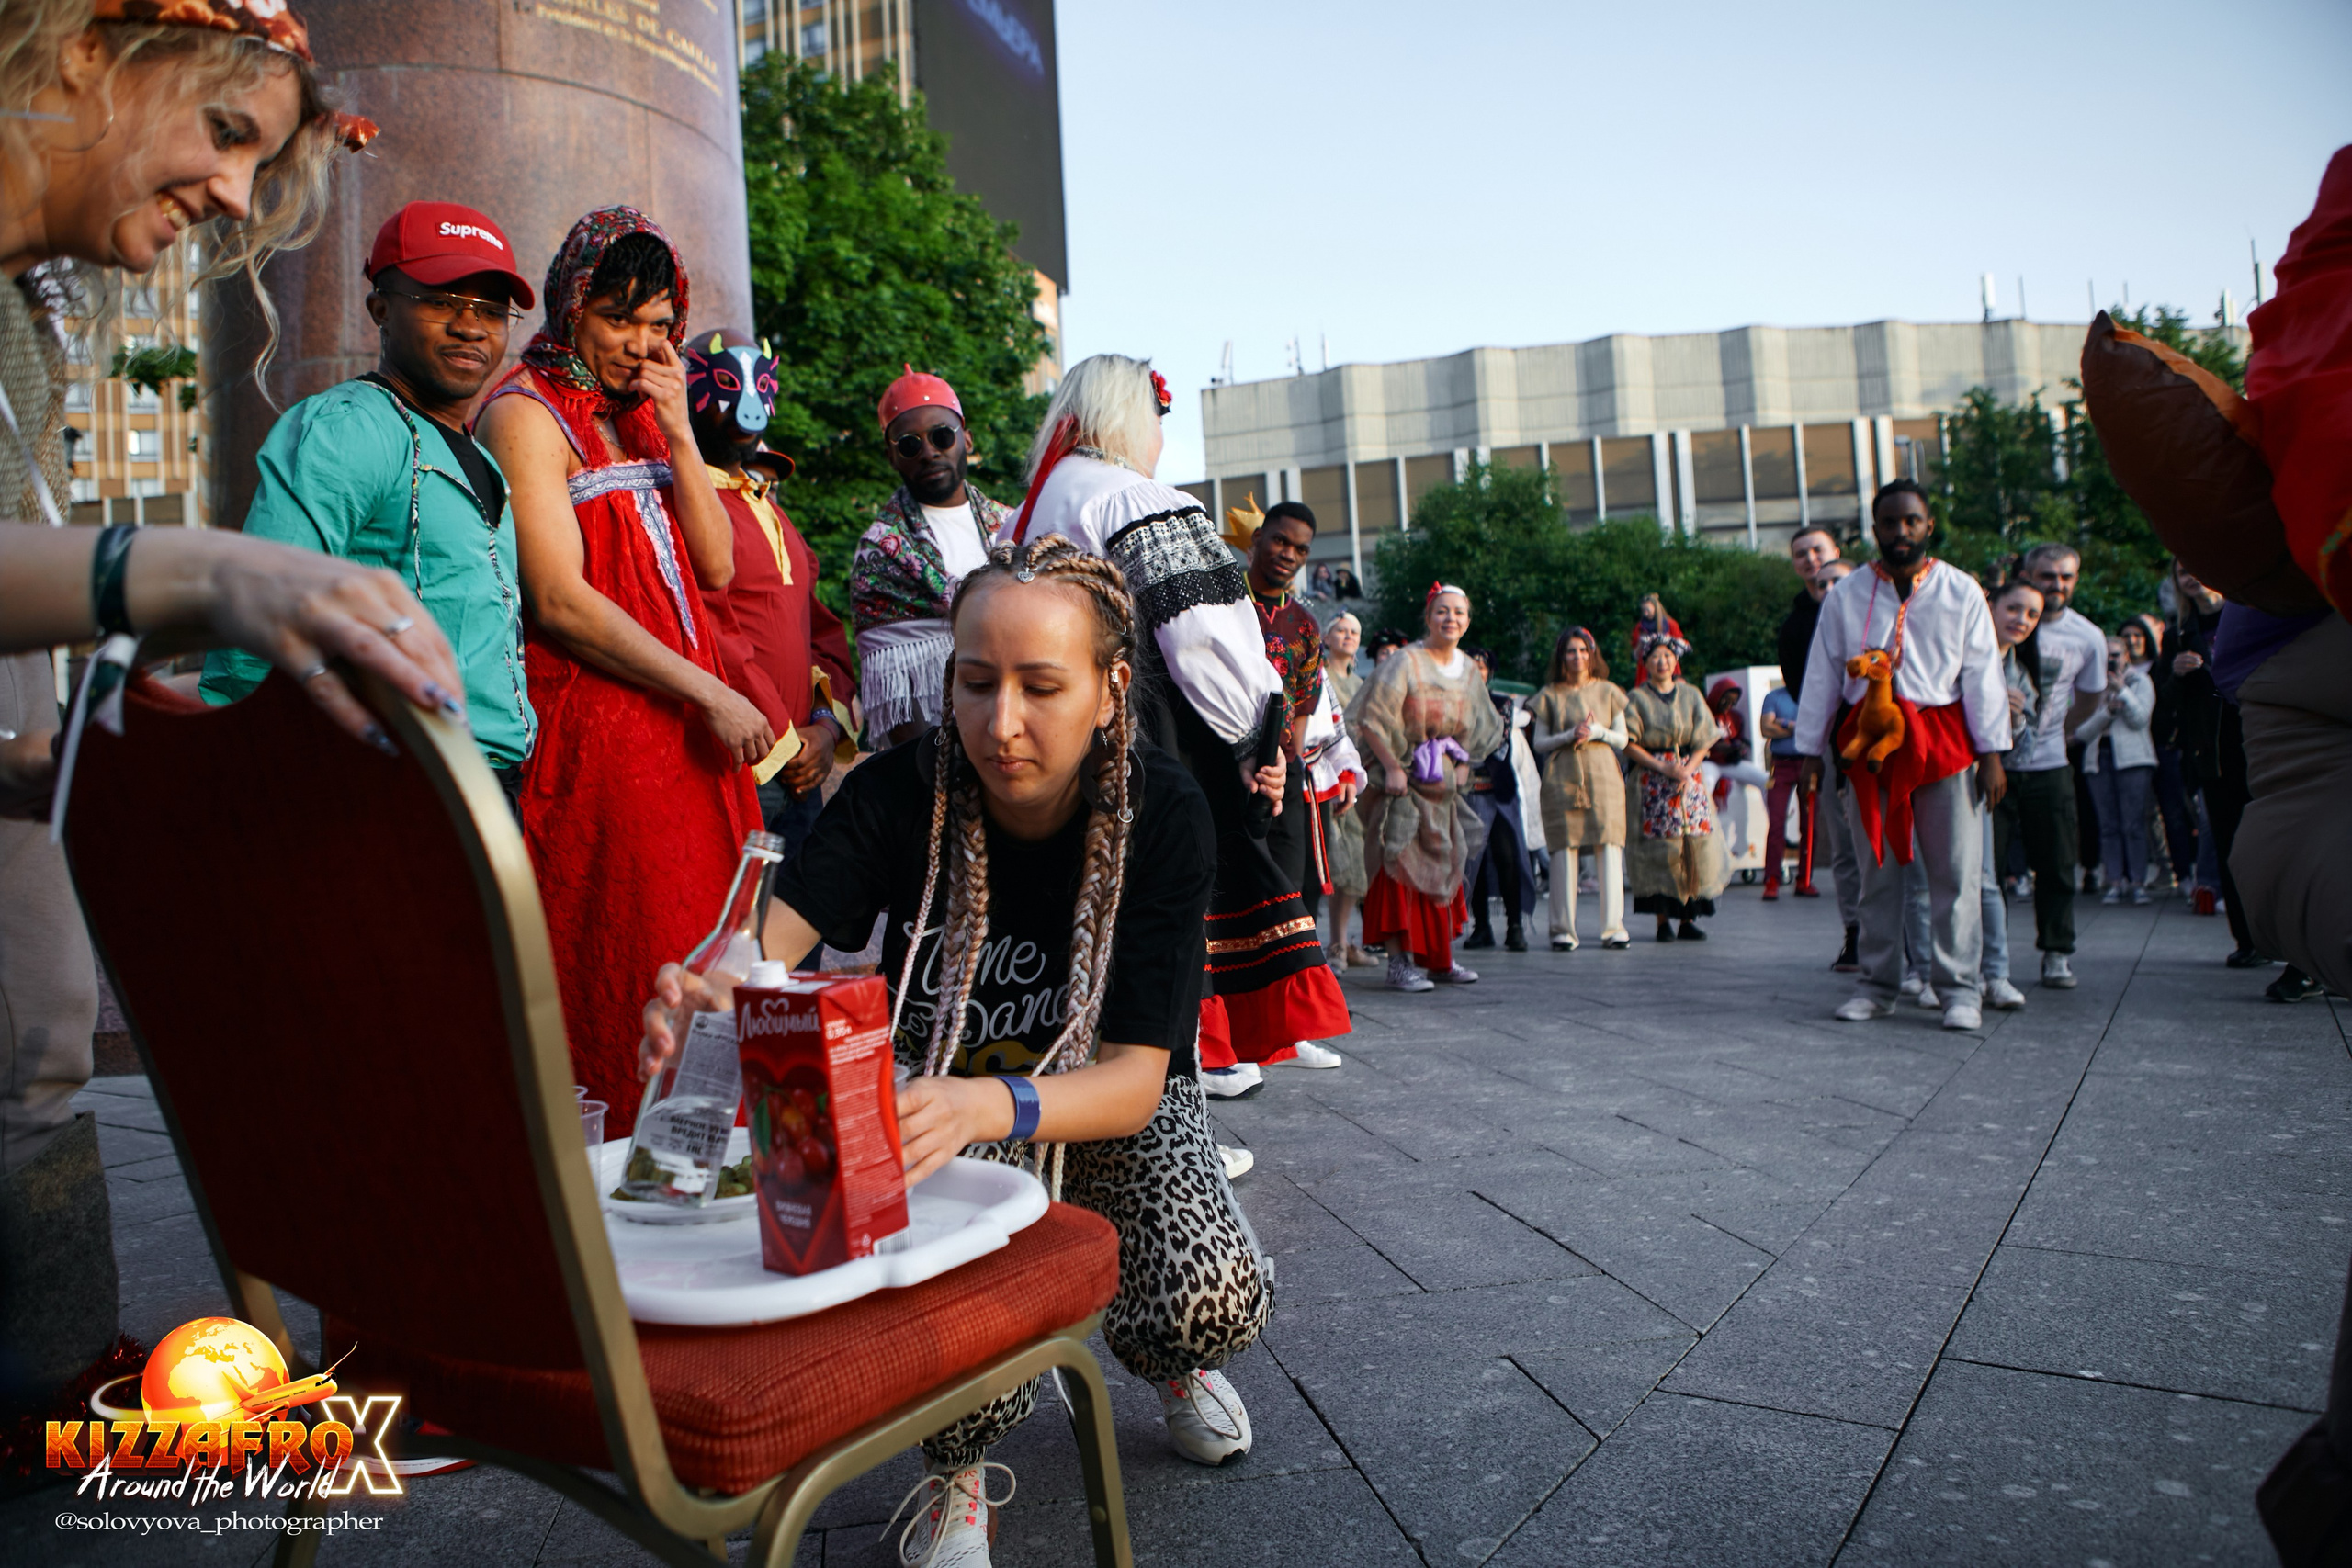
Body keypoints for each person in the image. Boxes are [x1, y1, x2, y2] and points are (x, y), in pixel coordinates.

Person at [639, 538, 1270, 1568]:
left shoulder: (1163, 808)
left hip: (1084, 1104)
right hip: (941, 1100)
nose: (1001, 723)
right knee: (956, 1324)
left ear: (1112, 691)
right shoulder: (902, 791)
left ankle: (1169, 1359)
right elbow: (771, 940)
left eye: (1040, 687)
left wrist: (999, 1108)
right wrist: (711, 988)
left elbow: (1132, 1083)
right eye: (975, 684)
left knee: (1208, 1297)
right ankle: (958, 1470)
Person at [0, 0, 422, 1425]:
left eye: (264, 160)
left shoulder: (23, 311)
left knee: (37, 1048)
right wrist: (191, 567)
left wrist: (39, 759)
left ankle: (43, 1376)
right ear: (77, 58)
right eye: (223, 130)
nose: (237, 195)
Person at [475, 208, 763, 1134]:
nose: (640, 345)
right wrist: (710, 691)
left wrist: (679, 433)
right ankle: (621, 1191)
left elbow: (718, 567)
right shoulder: (527, 411)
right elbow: (558, 600)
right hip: (608, 740)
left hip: (688, 743)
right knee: (635, 956)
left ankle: (712, 1167)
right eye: (617, 319)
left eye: (659, 324)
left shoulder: (644, 415)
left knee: (714, 953)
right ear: (571, 306)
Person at [1003, 355, 1345, 1097]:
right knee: (1159, 932)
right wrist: (1261, 736)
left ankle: (1074, 1106)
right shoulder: (1138, 498)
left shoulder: (1025, 513)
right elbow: (1210, 641)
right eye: (1157, 418)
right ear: (1132, 417)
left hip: (1039, 749)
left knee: (1071, 928)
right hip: (1140, 742)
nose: (1159, 437)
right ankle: (1165, 1124)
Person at [199, 200, 537, 802]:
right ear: (380, 308)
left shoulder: (474, 450)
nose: (470, 326)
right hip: (399, 779)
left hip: (485, 782)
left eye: (490, 310)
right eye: (440, 301)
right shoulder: (351, 428)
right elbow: (259, 615)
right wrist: (243, 781)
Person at [1797, 479, 2009, 1031]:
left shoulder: (1960, 590)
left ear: (1928, 526)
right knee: (1878, 874)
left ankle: (1960, 988)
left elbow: (1983, 674)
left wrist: (1992, 752)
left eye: (1910, 522)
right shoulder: (1846, 595)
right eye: (1889, 523)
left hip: (1942, 740)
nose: (1900, 533)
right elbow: (1821, 675)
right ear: (1875, 530)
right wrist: (1809, 753)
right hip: (1870, 746)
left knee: (1955, 871)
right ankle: (1878, 984)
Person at [680, 331, 854, 856]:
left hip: (799, 769)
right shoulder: (682, 503)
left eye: (758, 385)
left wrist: (825, 727)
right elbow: (708, 626)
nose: (746, 405)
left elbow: (818, 628)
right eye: (728, 385)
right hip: (733, 766)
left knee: (798, 930)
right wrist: (785, 741)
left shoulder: (769, 508)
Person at [1214, 497, 1349, 1078]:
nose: (1288, 555)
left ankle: (1290, 1033)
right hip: (1224, 766)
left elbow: (1303, 705)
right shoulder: (1219, 604)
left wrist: (1286, 763)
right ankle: (1222, 1042)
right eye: (1280, 541)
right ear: (1257, 538)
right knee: (1230, 892)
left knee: (1288, 889)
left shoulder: (1304, 625)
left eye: (1300, 549)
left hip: (1282, 771)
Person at [1350, 583, 1506, 989]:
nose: (1450, 618)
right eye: (1442, 611)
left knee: (1444, 861)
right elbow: (1371, 717)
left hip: (1442, 786)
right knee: (1398, 862)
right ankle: (1400, 961)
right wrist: (1393, 767)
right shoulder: (1406, 662)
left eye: (1458, 612)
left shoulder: (1469, 670)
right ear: (1428, 616)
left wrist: (1464, 762)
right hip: (1405, 779)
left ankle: (1440, 958)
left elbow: (1478, 722)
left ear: (1468, 621)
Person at [849, 366, 1012, 749]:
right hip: (937, 750)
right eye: (909, 444)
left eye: (941, 435)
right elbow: (900, 704)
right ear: (891, 457)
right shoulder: (878, 556)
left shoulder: (1014, 529)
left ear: (967, 440)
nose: (929, 452)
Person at [2154, 562, 2267, 965]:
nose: (2192, 574)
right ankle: (2248, 941)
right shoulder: (2178, 633)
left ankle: (2290, 941)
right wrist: (2179, 676)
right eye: (2182, 569)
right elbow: (2164, 702)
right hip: (2212, 755)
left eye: (2198, 564)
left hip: (2258, 743)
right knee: (2228, 847)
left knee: (2272, 844)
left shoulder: (2250, 614)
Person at [2008, 542, 2109, 988]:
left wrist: (2063, 732)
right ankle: (1983, 958)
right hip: (1993, 763)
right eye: (2048, 575)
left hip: (2050, 763)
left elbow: (2091, 696)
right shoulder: (2003, 622)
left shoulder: (2087, 636)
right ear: (2028, 574)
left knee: (2057, 861)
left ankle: (2056, 951)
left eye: (2066, 576)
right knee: (1985, 867)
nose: (2058, 585)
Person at [1781, 542, 1864, 966]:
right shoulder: (1797, 628)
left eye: (1837, 578)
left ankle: (1905, 938)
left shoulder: (1879, 618)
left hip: (1877, 747)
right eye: (1821, 582)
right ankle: (1856, 932)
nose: (1827, 585)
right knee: (1846, 846)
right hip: (1831, 748)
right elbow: (1805, 693)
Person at [1528, 626, 1630, 950]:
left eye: (1584, 650)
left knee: (1609, 845)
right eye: (1571, 651)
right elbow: (1540, 742)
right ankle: (1562, 930)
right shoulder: (1549, 695)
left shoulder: (1609, 691)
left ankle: (1614, 928)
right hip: (1563, 776)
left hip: (1603, 775)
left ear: (1592, 654)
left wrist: (1597, 731)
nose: (1578, 657)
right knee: (1563, 849)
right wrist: (1569, 735)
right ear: (1562, 656)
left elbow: (1623, 739)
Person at [1622, 630, 1727, 941]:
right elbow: (1628, 742)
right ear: (1646, 662)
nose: (1662, 661)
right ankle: (1661, 919)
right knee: (1659, 850)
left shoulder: (1691, 695)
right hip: (1653, 778)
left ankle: (1688, 917)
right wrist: (1664, 767)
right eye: (1656, 656)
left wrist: (1685, 771)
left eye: (1668, 656)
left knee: (1692, 846)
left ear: (1676, 660)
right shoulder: (1636, 698)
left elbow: (1706, 737)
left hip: (1688, 778)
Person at [2075, 635, 2157, 906]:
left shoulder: (2140, 681)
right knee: (2108, 825)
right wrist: (2107, 711)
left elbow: (2140, 719)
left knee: (2133, 823)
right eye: (2106, 655)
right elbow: (2082, 732)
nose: (2111, 660)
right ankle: (2114, 881)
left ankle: (2137, 882)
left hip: (2133, 759)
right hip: (2099, 759)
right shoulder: (2091, 686)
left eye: (2116, 654)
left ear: (2127, 657)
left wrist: (2122, 690)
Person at [1461, 647, 1532, 953]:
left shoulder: (1502, 703)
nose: (1478, 670)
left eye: (1483, 666)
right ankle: (1481, 926)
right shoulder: (1453, 701)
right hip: (1464, 792)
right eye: (1471, 665)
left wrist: (1465, 758)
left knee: (1507, 856)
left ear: (1490, 672)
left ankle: (1514, 926)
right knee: (1471, 863)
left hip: (1497, 791)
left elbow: (1498, 744)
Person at [1320, 611, 1375, 966]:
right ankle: (1335, 943)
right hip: (1329, 777)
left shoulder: (1362, 684)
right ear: (1326, 638)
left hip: (1362, 780)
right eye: (1341, 630)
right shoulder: (1321, 676)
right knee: (1337, 864)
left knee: (1358, 865)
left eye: (1355, 630)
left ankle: (1346, 940)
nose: (1348, 636)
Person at [1758, 679, 1810, 898]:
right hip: (1781, 763)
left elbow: (1814, 728)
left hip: (1808, 762)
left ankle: (1805, 879)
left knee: (1809, 824)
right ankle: (1771, 879)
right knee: (1776, 823)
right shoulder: (1774, 696)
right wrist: (1799, 727)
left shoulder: (1812, 694)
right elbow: (1765, 728)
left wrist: (1786, 724)